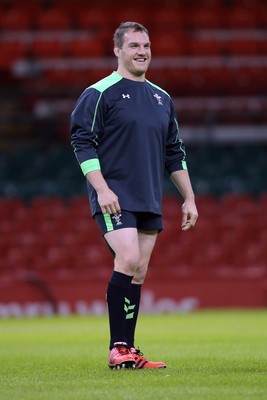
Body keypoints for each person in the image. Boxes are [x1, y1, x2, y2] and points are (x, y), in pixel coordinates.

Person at [70, 21, 198, 370]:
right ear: (118, 51)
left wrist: (188, 198)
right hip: (114, 195)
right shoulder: (99, 93)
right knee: (127, 258)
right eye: (134, 46)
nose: (142, 51)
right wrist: (102, 188)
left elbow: (174, 152)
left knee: (138, 270)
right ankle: (118, 348)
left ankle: (127, 351)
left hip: (149, 196)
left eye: (146, 45)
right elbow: (82, 141)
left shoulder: (162, 98)